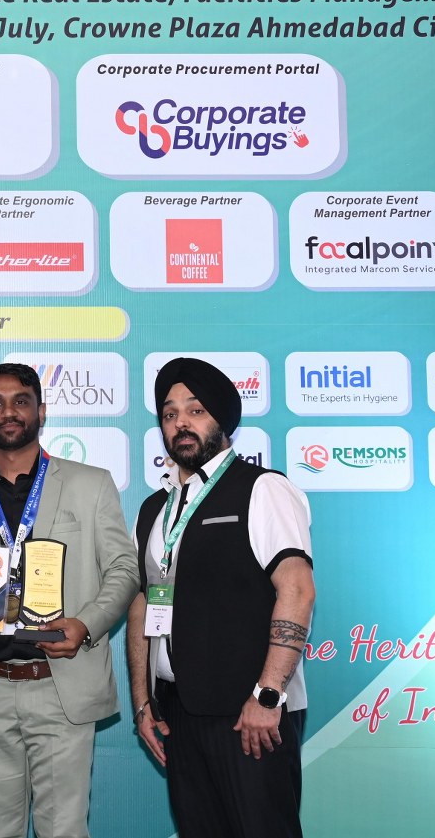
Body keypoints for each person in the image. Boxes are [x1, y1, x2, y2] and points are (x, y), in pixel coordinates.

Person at [0, 363, 138, 838]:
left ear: (41, 411)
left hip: (60, 683)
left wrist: (86, 624)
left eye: (21, 401)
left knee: (64, 830)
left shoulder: (91, 483)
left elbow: (125, 569)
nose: (8, 412)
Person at [126, 358, 315, 838]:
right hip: (177, 712)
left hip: (250, 714)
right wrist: (143, 702)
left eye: (196, 410)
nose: (181, 423)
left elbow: (297, 589)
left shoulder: (263, 489)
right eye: (170, 414)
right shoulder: (154, 508)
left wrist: (268, 696)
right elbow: (143, 603)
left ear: (223, 420)